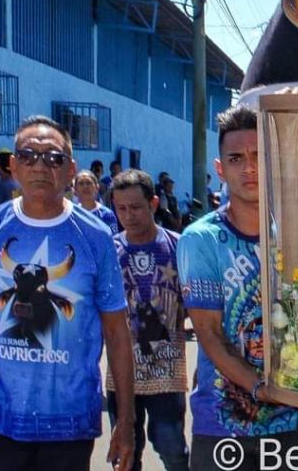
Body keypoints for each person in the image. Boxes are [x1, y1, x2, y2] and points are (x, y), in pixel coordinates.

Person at [0, 115, 134, 471]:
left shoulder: (96, 237)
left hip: (71, 423)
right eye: (28, 155)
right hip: (0, 421)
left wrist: (126, 422)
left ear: (70, 169)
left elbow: (117, 333)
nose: (40, 166)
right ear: (13, 166)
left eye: (53, 157)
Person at [177, 106, 298, 470]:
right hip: (222, 425)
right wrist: (260, 387)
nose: (249, 167)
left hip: (294, 421)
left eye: (258, 156)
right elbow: (209, 333)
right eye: (236, 158)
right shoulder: (201, 240)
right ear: (220, 169)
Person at [108, 170, 190, 471]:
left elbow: (199, 311)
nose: (128, 215)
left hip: (167, 374)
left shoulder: (180, 248)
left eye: (136, 207)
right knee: (125, 456)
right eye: (121, 209)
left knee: (173, 450)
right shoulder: (109, 251)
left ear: (153, 203)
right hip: (121, 375)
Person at [74, 169, 120, 235]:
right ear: (75, 189)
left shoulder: (106, 214)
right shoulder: (72, 213)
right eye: (81, 183)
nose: (85, 186)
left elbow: (113, 239)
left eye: (89, 183)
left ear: (97, 187)